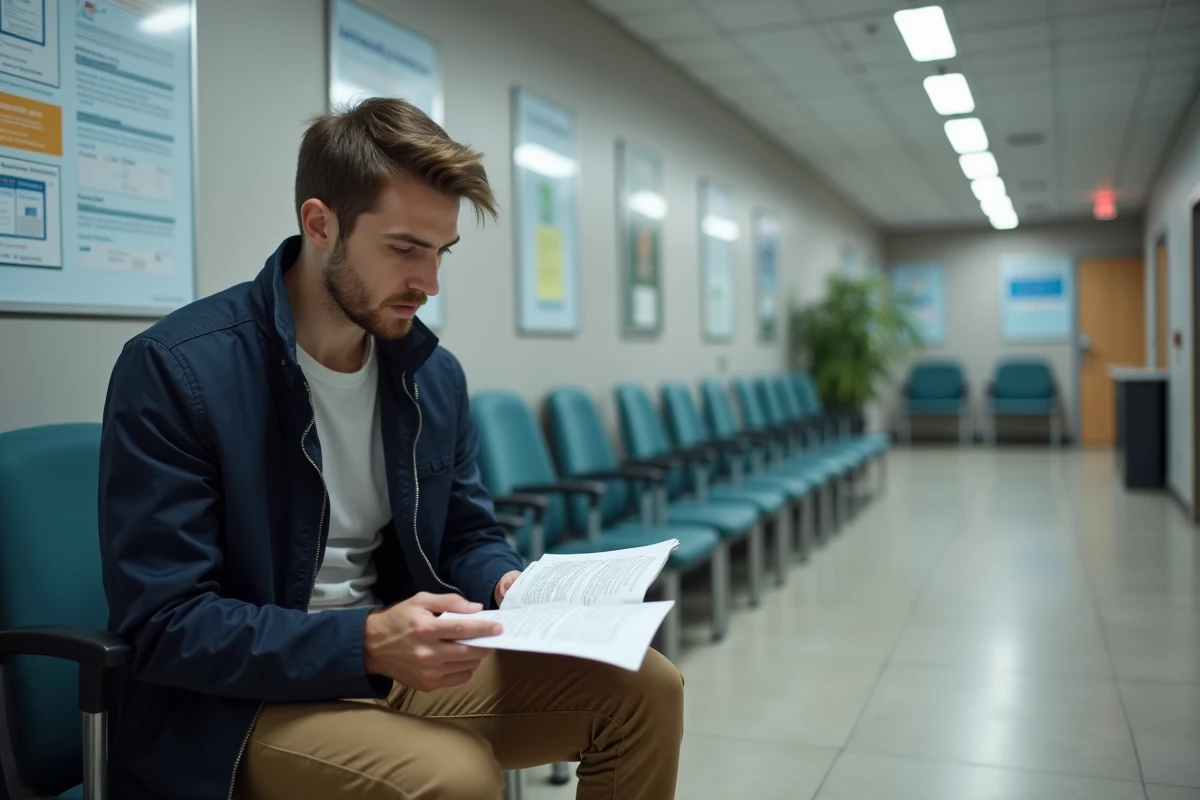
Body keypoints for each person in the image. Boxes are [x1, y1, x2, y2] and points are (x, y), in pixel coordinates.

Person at [97, 96, 684, 800]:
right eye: (405, 249)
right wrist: (366, 643)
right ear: (320, 224)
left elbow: (468, 531)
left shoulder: (429, 376)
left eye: (440, 253)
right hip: (234, 708)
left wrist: (504, 581)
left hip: (393, 661)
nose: (429, 285)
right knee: (455, 778)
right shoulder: (178, 369)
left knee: (646, 688)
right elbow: (166, 624)